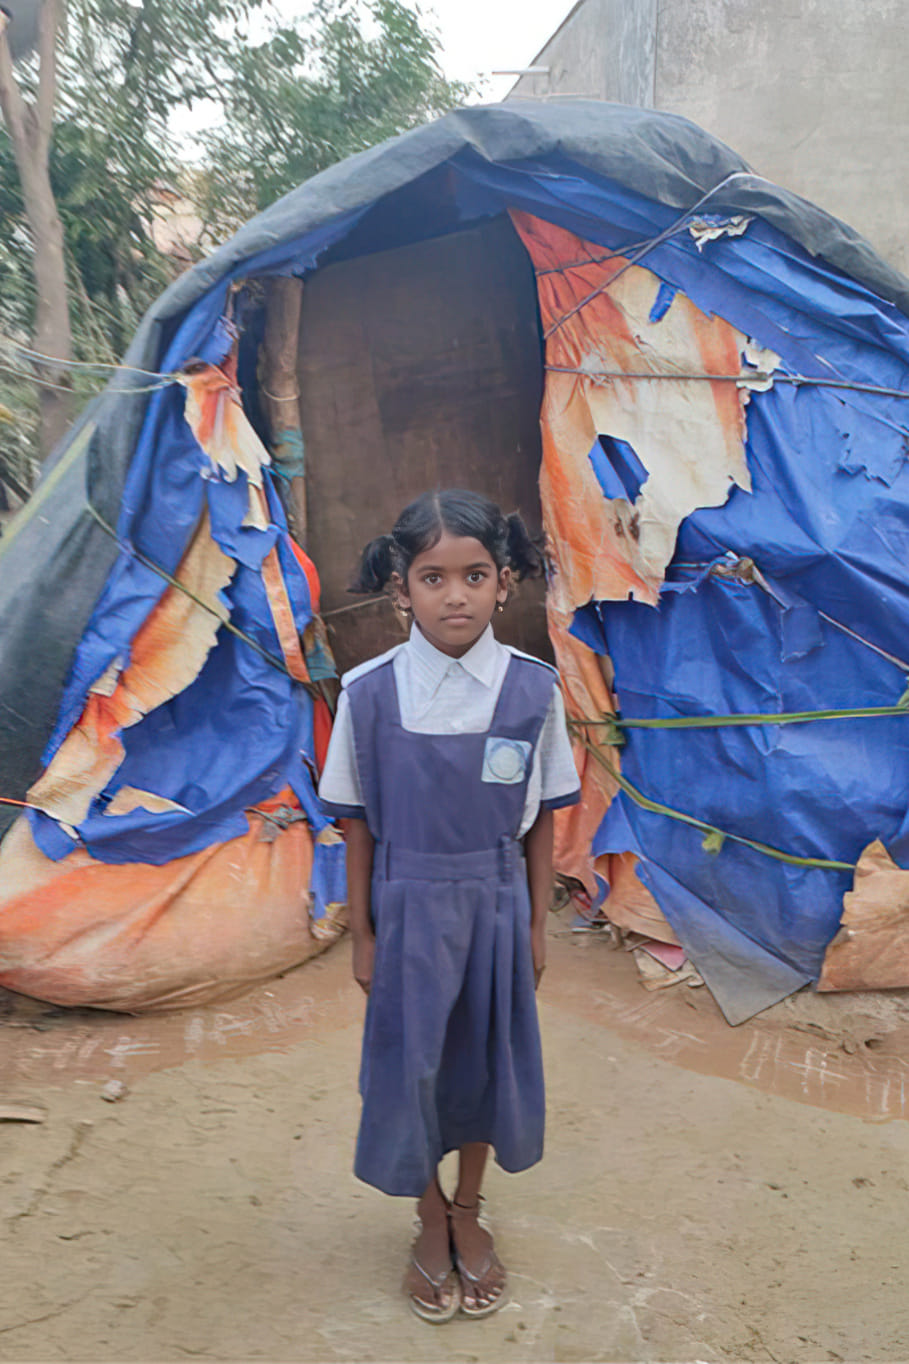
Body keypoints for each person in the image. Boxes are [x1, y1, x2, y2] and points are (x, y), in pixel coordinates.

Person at [318, 489, 580, 1322]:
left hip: (497, 906)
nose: (455, 594)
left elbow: (539, 822)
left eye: (474, 574)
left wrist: (536, 924)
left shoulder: (533, 691)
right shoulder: (366, 694)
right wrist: (362, 935)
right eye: (433, 577)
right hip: (405, 907)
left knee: (482, 1065)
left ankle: (469, 1208)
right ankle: (426, 1213)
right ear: (401, 588)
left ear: (505, 582)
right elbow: (357, 829)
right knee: (412, 1069)